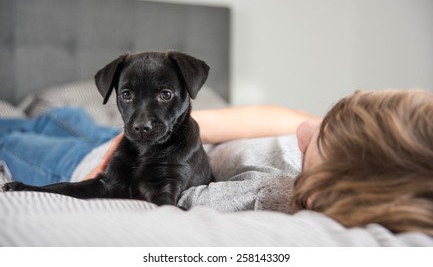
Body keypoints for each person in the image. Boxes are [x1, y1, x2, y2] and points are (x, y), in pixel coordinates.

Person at [1, 89, 433, 237]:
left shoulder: (270, 194)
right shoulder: (338, 150)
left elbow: (182, 197)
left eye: (321, 135)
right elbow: (281, 118)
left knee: (16, 137)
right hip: (133, 134)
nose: (310, 127)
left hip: (92, 161)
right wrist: (183, 122)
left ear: (323, 187)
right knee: (61, 115)